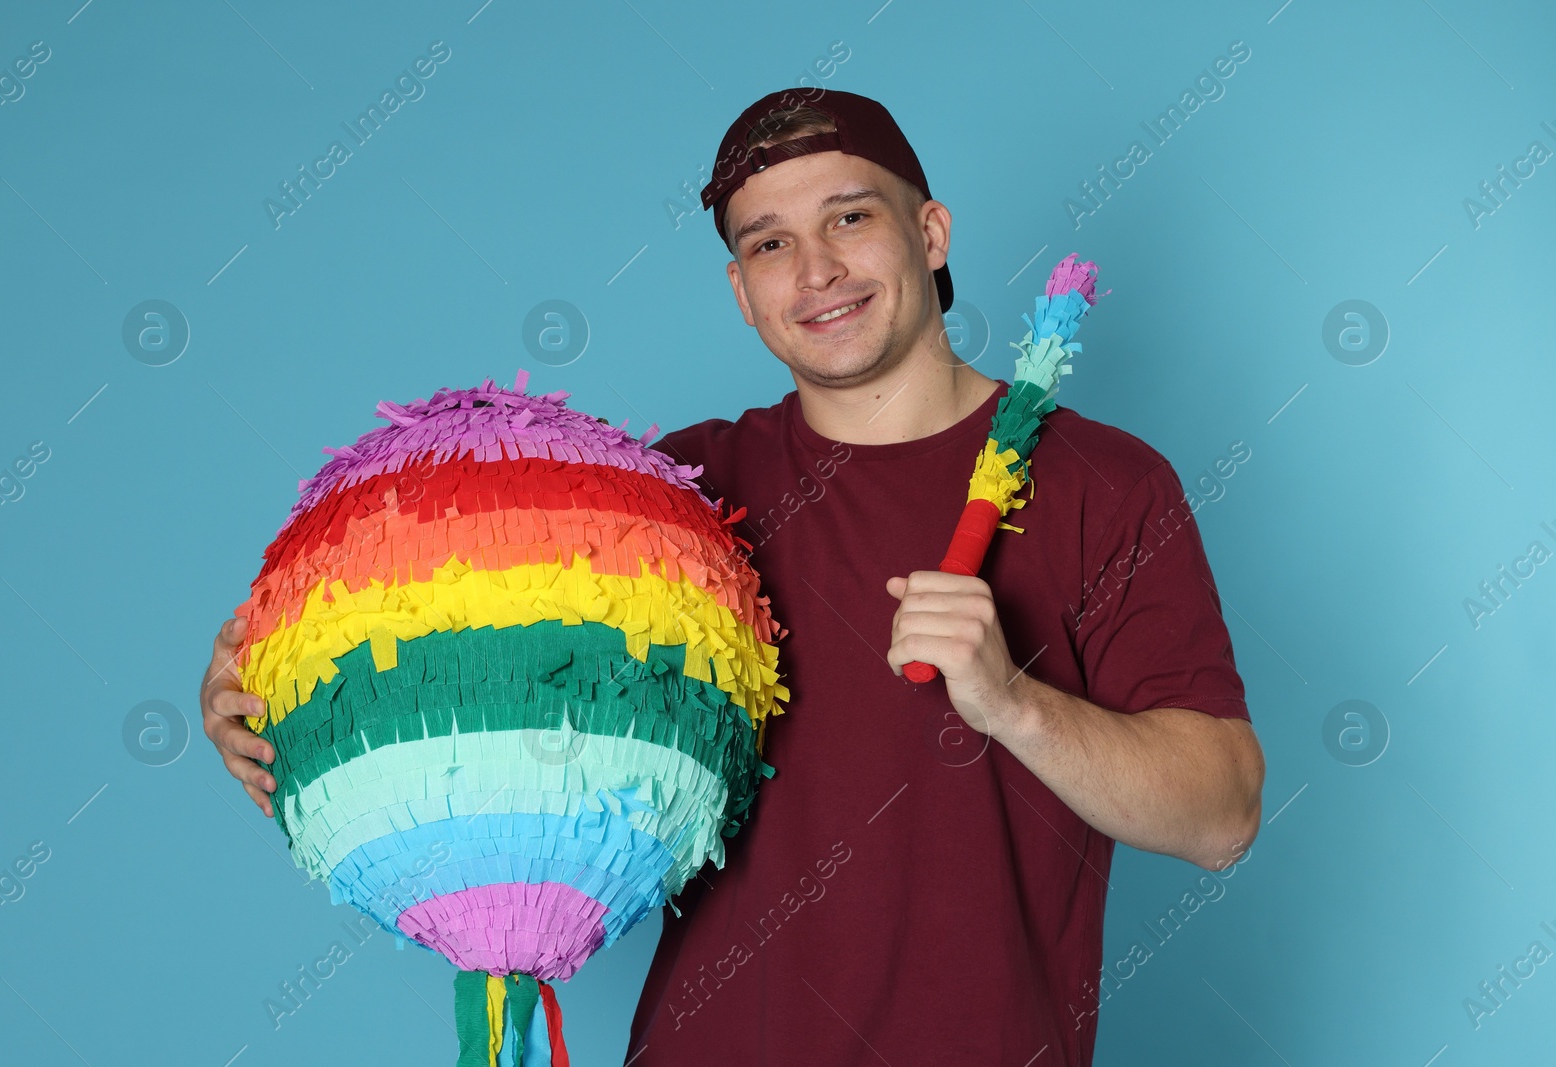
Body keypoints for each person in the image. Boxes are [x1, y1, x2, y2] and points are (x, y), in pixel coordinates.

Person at [200, 88, 1265, 1065]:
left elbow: (1219, 815)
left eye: (850, 217)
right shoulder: (669, 503)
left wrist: (1014, 702)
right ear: (741, 292)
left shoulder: (1100, 482)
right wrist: (293, 705)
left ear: (929, 233)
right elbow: (506, 756)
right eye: (770, 242)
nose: (816, 271)